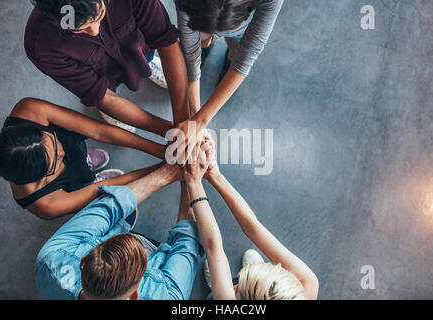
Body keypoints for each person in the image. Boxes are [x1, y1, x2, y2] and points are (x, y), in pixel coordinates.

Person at [35, 162, 204, 300]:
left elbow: (109, 207)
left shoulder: (51, 259)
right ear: (134, 295)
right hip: (157, 251)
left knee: (119, 211)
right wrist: (190, 179)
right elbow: (186, 243)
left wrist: (168, 173)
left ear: (84, 261)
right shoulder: (165, 297)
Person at [182, 140, 319, 300]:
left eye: (239, 288)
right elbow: (252, 227)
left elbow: (213, 247)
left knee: (217, 292)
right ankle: (250, 277)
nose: (239, 274)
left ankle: (218, 284)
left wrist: (193, 182)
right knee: (227, 273)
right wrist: (214, 174)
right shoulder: (308, 285)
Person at [26, 0, 190, 133]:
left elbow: (165, 40)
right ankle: (109, 111)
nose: (95, 31)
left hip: (138, 47)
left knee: (145, 57)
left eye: (99, 16)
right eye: (79, 29)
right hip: (102, 79)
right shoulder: (42, 46)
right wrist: (172, 132)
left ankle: (146, 63)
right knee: (104, 95)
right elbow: (102, 95)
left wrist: (184, 122)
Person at [0, 97, 169, 220]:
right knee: (100, 190)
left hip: (74, 149)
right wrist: (165, 167)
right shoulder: (44, 204)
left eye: (53, 141)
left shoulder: (29, 110)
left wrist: (162, 151)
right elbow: (111, 185)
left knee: (77, 152)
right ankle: (89, 181)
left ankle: (83, 162)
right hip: (70, 187)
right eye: (54, 163)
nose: (61, 152)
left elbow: (99, 131)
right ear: (40, 179)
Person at [173, 0, 284, 162]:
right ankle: (205, 45)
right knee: (200, 42)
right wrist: (196, 120)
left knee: (236, 47)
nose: (217, 34)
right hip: (205, 22)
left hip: (239, 31)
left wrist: (199, 121)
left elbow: (247, 56)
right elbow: (190, 52)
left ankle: (226, 50)